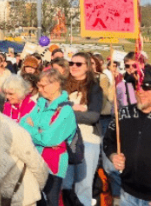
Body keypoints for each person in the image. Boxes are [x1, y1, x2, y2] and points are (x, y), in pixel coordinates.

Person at [20, 69, 77, 206]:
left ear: (56, 84)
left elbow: (49, 139)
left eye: (43, 86)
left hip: (53, 166)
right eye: (39, 85)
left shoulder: (66, 110)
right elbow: (22, 124)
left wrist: (32, 129)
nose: (39, 89)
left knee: (51, 201)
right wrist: (38, 131)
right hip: (35, 161)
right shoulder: (40, 104)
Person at [58, 52, 103, 205]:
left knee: (83, 185)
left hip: (88, 140)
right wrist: (75, 108)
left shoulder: (94, 89)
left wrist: (67, 113)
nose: (74, 67)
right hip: (65, 140)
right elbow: (55, 109)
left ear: (88, 67)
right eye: (71, 63)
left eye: (78, 64)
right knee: (66, 184)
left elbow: (93, 116)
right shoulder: (62, 87)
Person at [0, 104, 49, 206]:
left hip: (23, 198)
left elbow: (37, 165)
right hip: (1, 198)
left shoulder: (13, 131)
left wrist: (36, 188)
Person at [103, 69, 151, 206]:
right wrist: (113, 156)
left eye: (146, 87)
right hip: (127, 193)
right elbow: (108, 141)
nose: (140, 91)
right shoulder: (123, 113)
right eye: (137, 86)